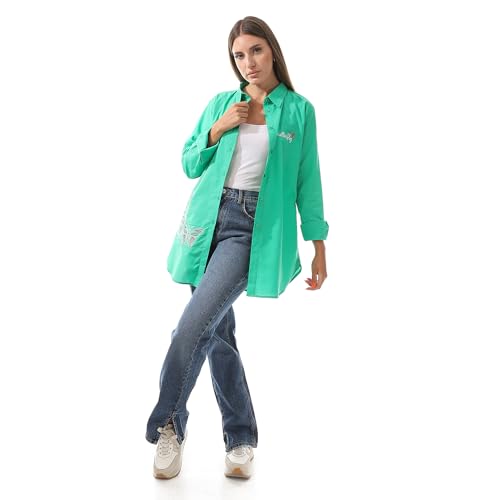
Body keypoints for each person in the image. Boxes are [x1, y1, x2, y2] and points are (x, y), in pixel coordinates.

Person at [145, 15, 329, 480]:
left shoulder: (299, 111)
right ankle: (241, 437)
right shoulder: (222, 104)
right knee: (217, 333)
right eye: (239, 55)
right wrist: (218, 128)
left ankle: (168, 424)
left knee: (191, 328)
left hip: (250, 230)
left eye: (256, 51)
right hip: (203, 224)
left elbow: (308, 183)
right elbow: (189, 162)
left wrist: (319, 246)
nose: (248, 62)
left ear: (273, 51)